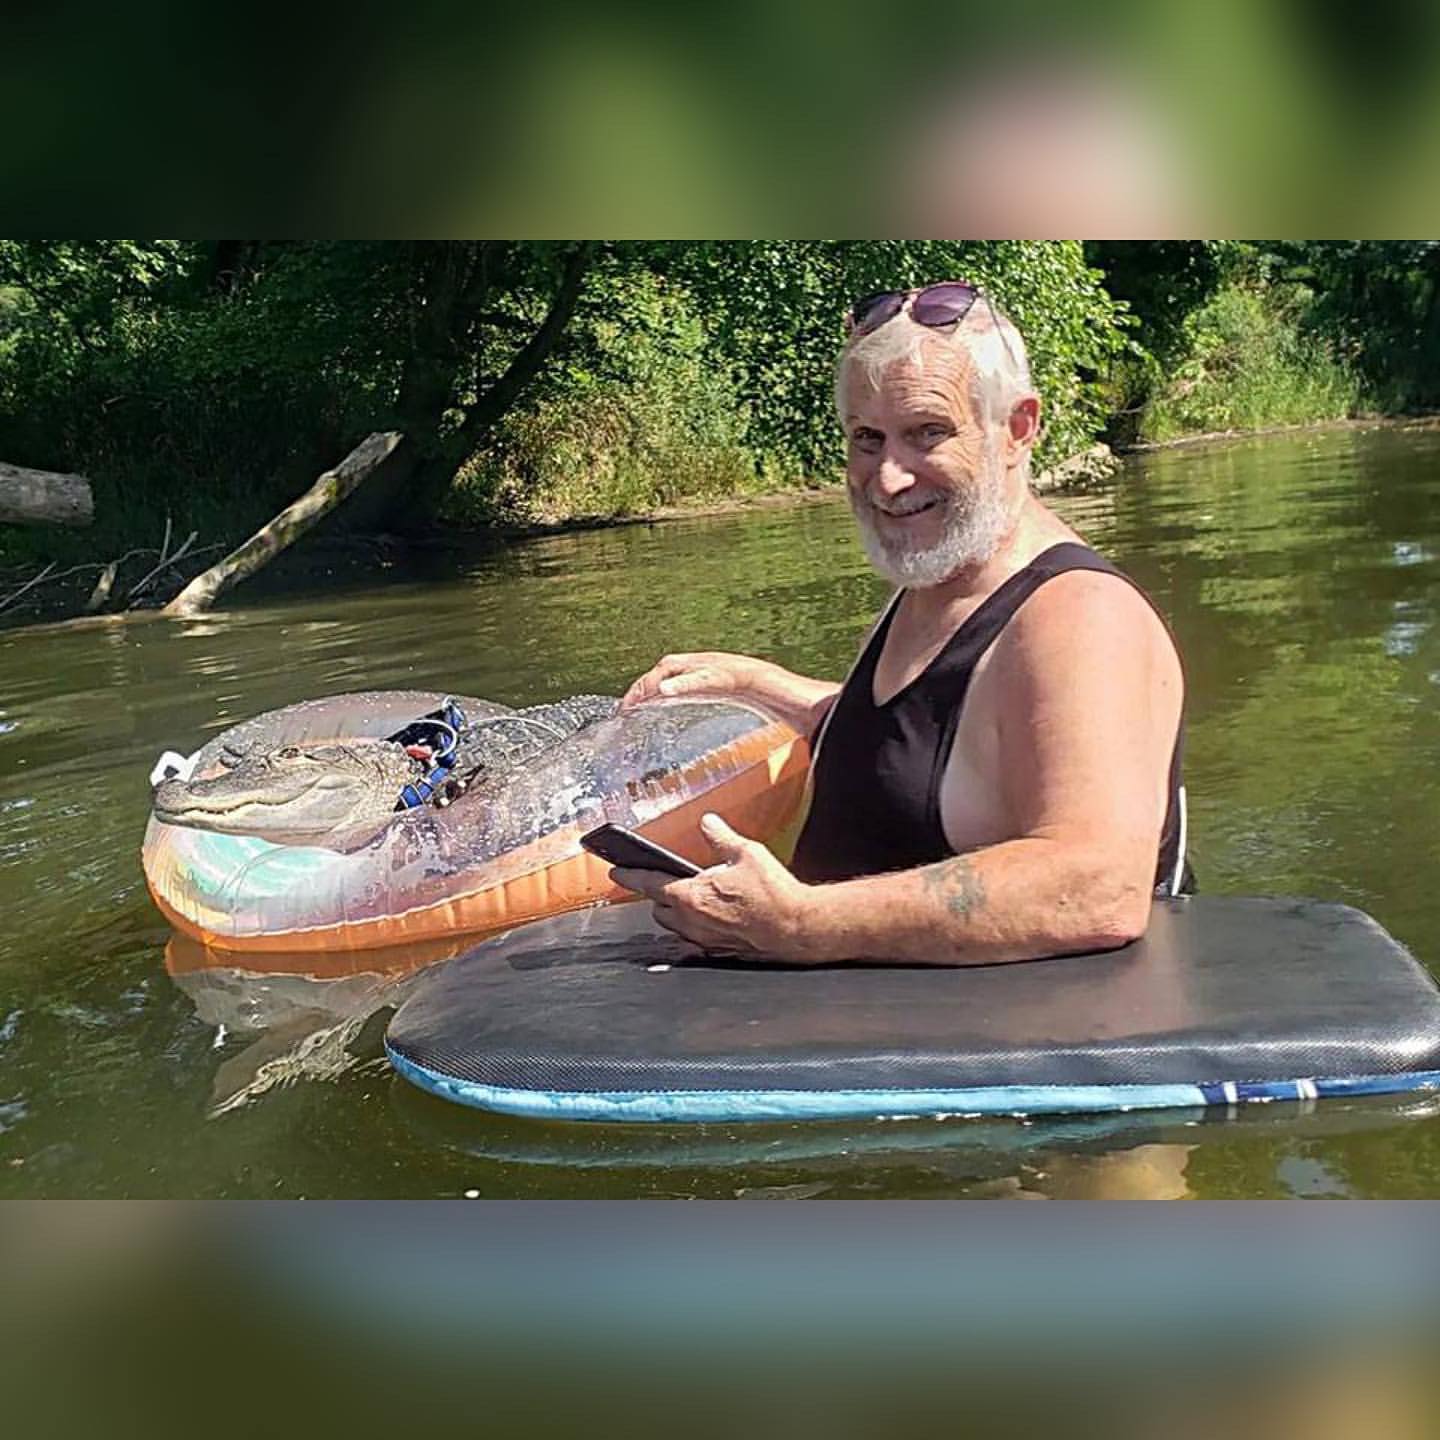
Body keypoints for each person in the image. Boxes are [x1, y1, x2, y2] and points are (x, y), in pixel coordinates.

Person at [618, 282, 1186, 965]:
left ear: (1018, 427)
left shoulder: (1083, 620)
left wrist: (803, 924)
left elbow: (1097, 884)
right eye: (867, 439)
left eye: (927, 433)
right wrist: (771, 686)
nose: (887, 479)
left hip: (1006, 1057)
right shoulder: (939, 583)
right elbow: (930, 744)